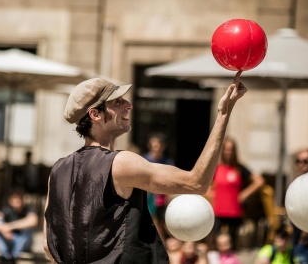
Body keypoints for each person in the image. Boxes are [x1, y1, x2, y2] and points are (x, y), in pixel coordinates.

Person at [43, 74, 247, 263]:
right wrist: (223, 115)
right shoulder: (120, 163)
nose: (128, 105)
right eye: (117, 102)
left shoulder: (58, 170)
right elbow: (197, 182)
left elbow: (48, 246)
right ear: (95, 114)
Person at [205, 137, 264, 250]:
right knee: (215, 243)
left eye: (231, 149)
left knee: (231, 244)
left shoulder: (240, 169)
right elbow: (204, 184)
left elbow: (259, 181)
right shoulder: (216, 168)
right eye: (226, 149)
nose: (229, 152)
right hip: (218, 211)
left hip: (234, 211)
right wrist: (211, 194)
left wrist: (245, 194)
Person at [0, 187, 38, 263]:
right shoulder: (7, 210)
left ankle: (13, 257)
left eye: (19, 198)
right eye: (15, 198)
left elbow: (33, 221)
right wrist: (3, 230)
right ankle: (6, 256)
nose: (18, 201)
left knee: (28, 229)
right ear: (10, 201)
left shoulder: (28, 210)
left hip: (23, 243)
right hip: (10, 240)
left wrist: (10, 226)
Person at [143, 132, 175, 240]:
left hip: (163, 201)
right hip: (148, 201)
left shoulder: (168, 162)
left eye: (158, 146)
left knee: (165, 229)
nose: (156, 148)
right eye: (154, 145)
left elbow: (171, 182)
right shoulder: (144, 161)